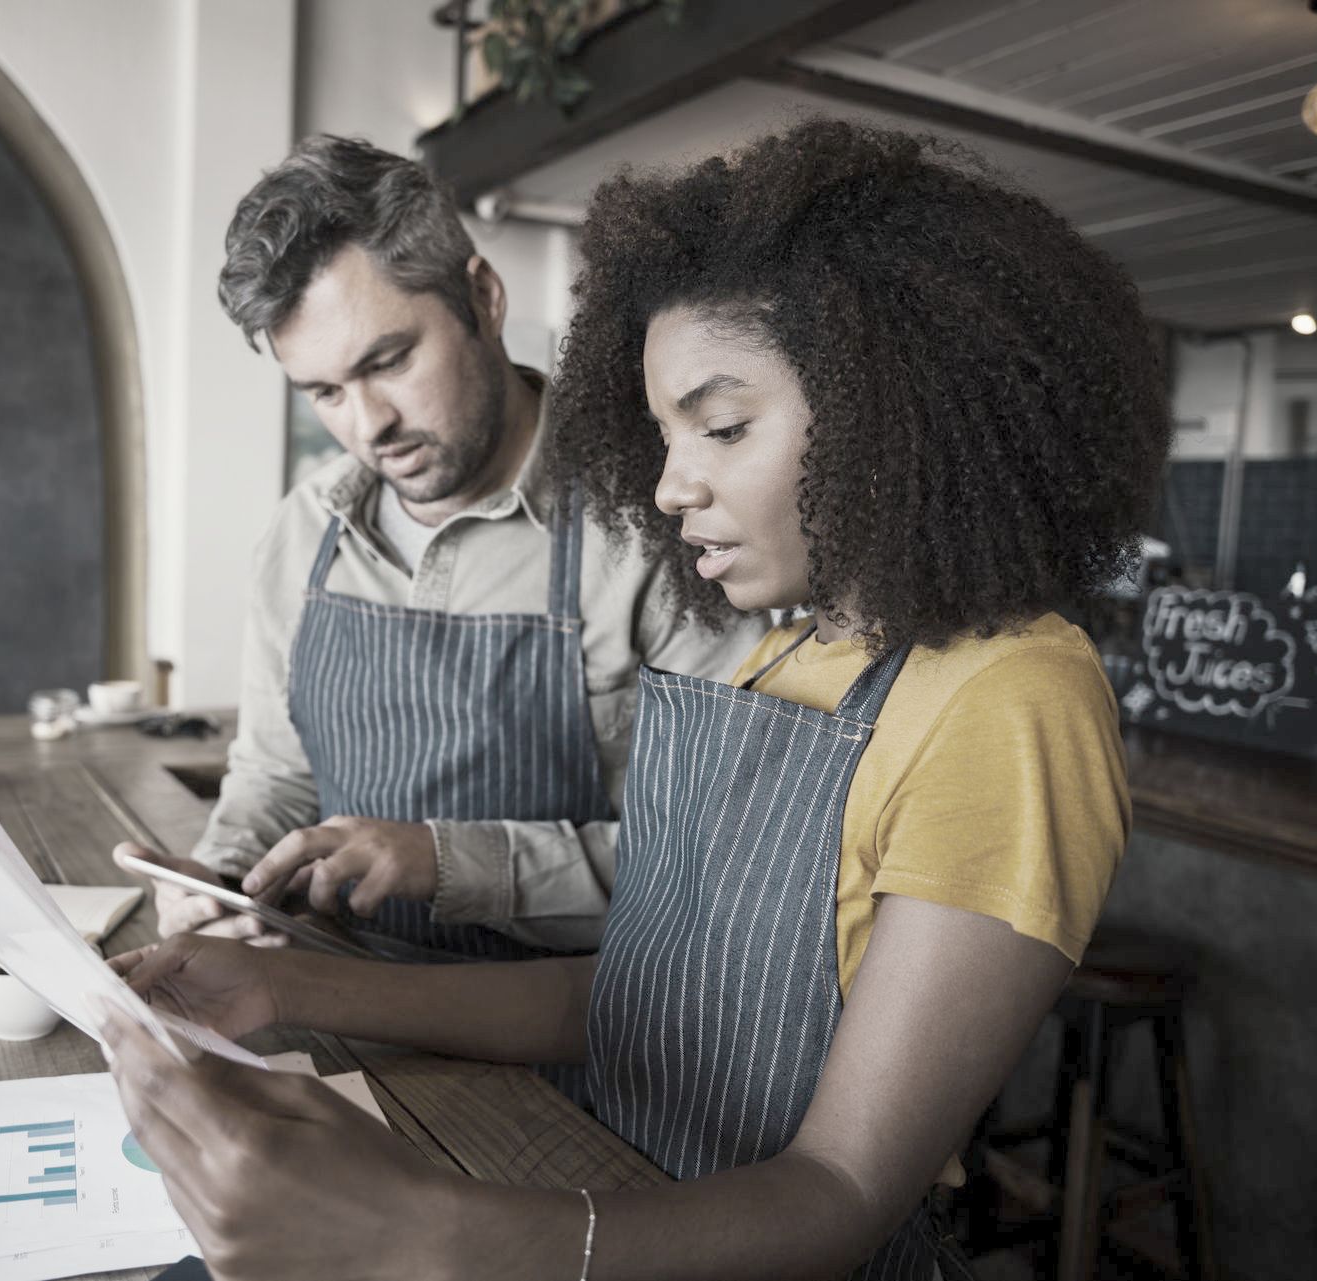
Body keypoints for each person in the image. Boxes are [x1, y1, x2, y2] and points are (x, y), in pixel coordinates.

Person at [97, 119, 1167, 1279]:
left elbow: (844, 1194)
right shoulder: (788, 658)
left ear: (891, 404)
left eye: (721, 427)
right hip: (614, 1190)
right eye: (661, 433)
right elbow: (636, 996)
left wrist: (426, 1233)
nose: (667, 485)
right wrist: (281, 980)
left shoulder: (1015, 697)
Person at [118, 135, 757, 959]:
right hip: (343, 1016)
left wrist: (450, 860)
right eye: (324, 392)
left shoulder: (663, 526)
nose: (368, 424)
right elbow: (277, 777)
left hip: (576, 1055)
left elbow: (718, 859)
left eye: (389, 360)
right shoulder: (304, 535)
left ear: (482, 296)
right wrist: (224, 873)